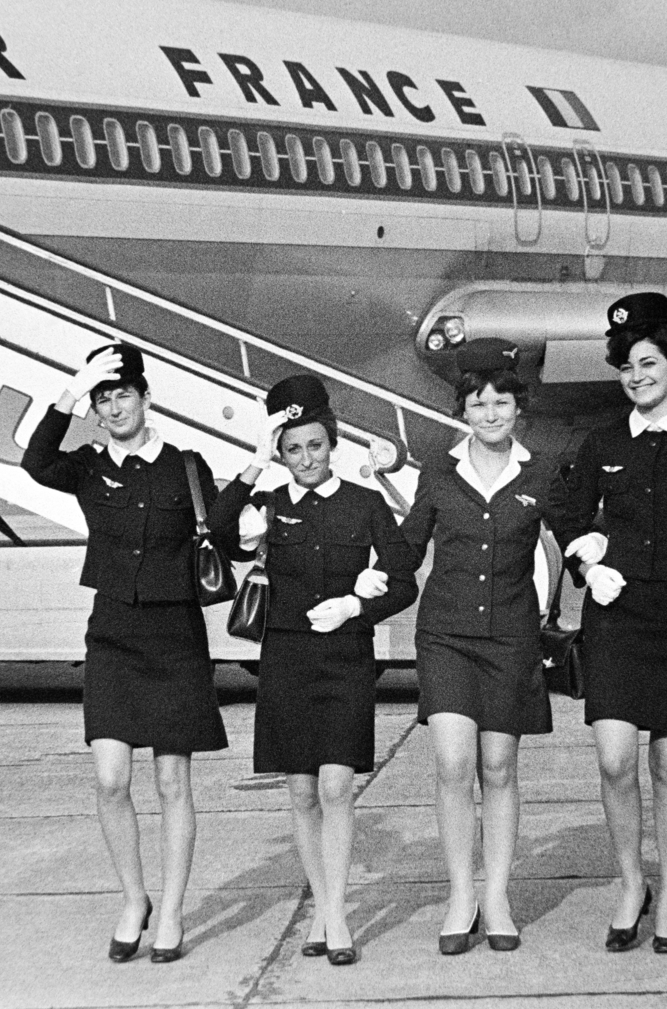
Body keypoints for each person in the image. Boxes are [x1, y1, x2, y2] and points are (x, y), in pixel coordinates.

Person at [20, 342, 229, 965]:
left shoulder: (187, 467)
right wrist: (68, 391)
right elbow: (34, 462)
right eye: (102, 398)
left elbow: (219, 532)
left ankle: (170, 912)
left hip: (175, 636)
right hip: (111, 632)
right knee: (111, 781)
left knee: (172, 781)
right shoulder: (85, 465)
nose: (113, 407)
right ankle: (133, 898)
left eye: (122, 395)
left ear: (145, 398)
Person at [548, 293, 667, 954]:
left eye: (648, 361)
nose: (637, 375)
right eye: (626, 364)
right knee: (615, 758)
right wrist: (584, 556)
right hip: (618, 615)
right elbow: (563, 506)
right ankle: (632, 882)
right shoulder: (602, 442)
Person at [208, 375, 417, 966]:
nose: (304, 458)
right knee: (301, 792)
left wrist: (359, 606)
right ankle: (325, 908)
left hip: (346, 658)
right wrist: (252, 465)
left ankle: (336, 916)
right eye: (291, 449)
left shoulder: (365, 503)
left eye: (315, 446)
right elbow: (221, 535)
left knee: (335, 786)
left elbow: (403, 578)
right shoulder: (267, 506)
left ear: (333, 445)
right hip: (286, 660)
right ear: (280, 452)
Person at [400, 338, 557, 956]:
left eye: (500, 402)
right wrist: (360, 584)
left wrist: (598, 558)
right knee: (452, 764)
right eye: (477, 403)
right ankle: (461, 895)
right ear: (461, 410)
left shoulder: (540, 473)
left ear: (519, 407)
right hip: (445, 636)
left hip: (511, 638)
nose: (490, 414)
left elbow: (577, 537)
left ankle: (498, 897)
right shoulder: (438, 472)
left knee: (498, 768)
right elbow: (410, 544)